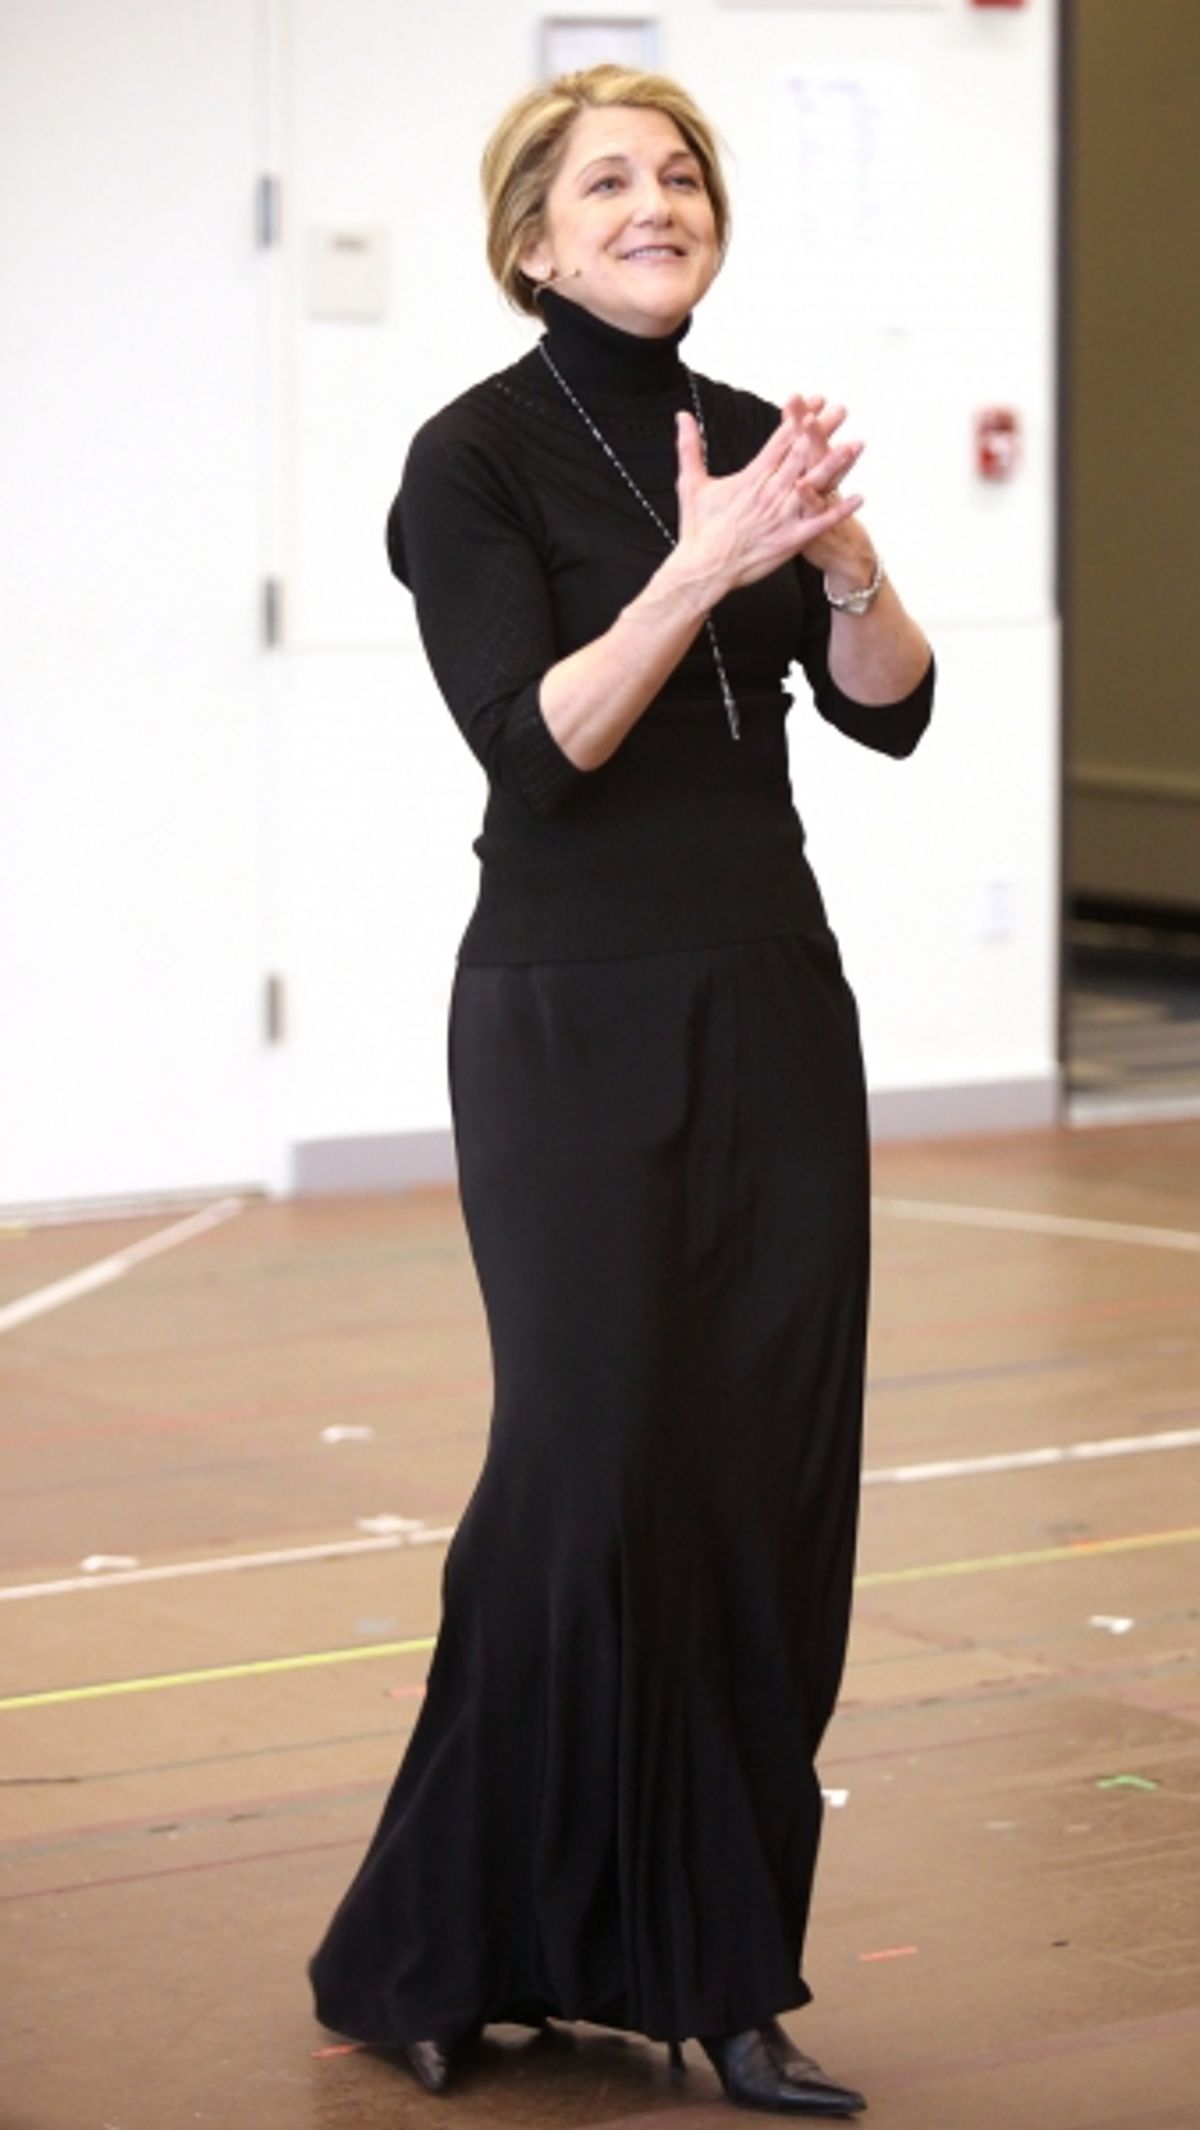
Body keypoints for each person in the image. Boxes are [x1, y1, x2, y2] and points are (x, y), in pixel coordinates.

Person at [309, 63, 934, 2118]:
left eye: (681, 175)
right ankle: (442, 1941)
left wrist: (835, 558)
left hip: (771, 1002)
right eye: (611, 181)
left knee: (764, 1484)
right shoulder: (468, 462)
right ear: (533, 239)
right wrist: (697, 565)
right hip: (568, 1020)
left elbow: (896, 714)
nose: (656, 203)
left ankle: (728, 1973)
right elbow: (537, 737)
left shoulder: (752, 439)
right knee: (582, 1488)